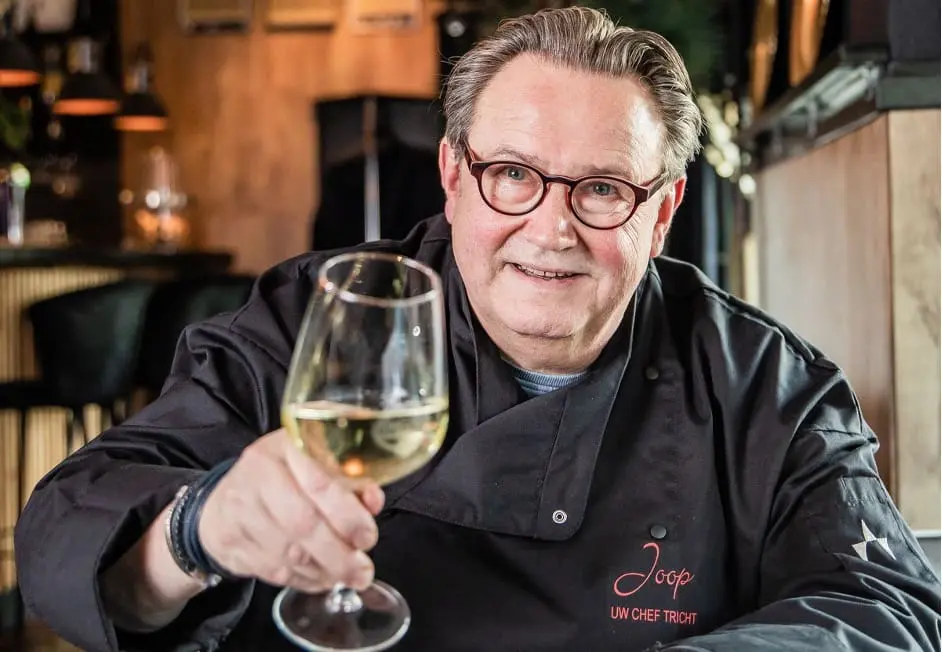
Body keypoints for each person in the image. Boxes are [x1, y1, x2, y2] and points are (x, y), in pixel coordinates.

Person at [14, 7, 941, 652]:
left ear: (661, 213)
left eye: (602, 189)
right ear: (456, 177)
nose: (551, 228)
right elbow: (62, 533)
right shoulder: (313, 321)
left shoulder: (763, 383)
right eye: (513, 176)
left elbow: (889, 608)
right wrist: (193, 532)